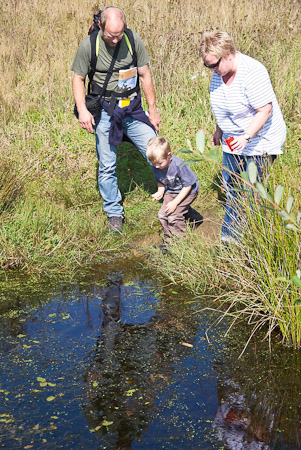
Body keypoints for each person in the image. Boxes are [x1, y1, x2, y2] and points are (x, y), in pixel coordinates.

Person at [71, 6, 161, 233]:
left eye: (119, 34)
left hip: (132, 108)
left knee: (156, 151)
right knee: (108, 164)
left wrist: (153, 110)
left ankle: (176, 198)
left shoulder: (132, 40)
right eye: (111, 35)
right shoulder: (89, 45)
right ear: (101, 26)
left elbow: (145, 74)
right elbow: (78, 78)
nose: (115, 39)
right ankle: (114, 213)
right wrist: (82, 110)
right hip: (105, 110)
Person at [200, 31, 286, 243]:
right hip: (233, 138)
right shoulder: (219, 71)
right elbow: (224, 105)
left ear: (228, 54)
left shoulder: (252, 72)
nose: (212, 70)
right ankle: (241, 232)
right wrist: (219, 130)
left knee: (248, 189)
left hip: (260, 140)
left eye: (214, 65)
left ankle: (233, 241)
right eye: (207, 66)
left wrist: (247, 136)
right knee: (232, 187)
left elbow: (265, 110)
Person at [146, 136, 200, 251]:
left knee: (174, 216)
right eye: (153, 163)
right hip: (172, 190)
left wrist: (175, 202)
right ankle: (168, 240)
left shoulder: (180, 165)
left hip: (189, 191)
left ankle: (181, 241)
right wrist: (160, 191)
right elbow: (160, 181)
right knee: (163, 215)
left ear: (169, 155)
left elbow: (188, 185)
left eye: (160, 163)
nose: (156, 166)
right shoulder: (156, 165)